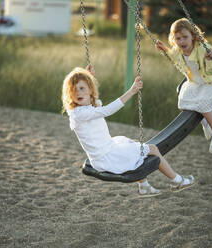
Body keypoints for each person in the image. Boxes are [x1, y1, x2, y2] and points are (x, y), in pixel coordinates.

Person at [61, 66, 195, 195]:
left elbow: (96, 103)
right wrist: (131, 91)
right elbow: (107, 110)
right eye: (73, 90)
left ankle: (144, 186)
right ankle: (178, 181)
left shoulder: (86, 107)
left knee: (134, 145)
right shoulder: (78, 114)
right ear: (69, 95)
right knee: (152, 149)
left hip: (108, 148)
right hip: (106, 158)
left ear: (90, 90)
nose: (78, 92)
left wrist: (88, 75)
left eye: (82, 88)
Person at [155, 18, 212, 153]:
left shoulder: (203, 49)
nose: (182, 41)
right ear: (174, 39)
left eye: (185, 37)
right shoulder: (178, 50)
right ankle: (205, 121)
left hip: (210, 80)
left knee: (203, 105)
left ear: (193, 36)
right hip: (195, 81)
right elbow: (173, 56)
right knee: (183, 103)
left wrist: (210, 58)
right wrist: (164, 48)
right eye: (178, 38)